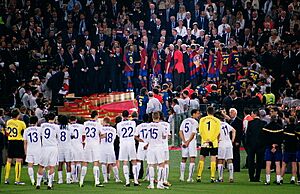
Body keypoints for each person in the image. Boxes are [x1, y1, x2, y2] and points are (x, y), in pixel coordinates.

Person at [79, 110, 104, 187]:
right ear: (96, 116)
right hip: (95, 144)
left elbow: (83, 134)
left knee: (85, 163)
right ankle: (96, 181)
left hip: (87, 144)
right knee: (96, 162)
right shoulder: (98, 124)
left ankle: (81, 181)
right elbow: (102, 135)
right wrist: (101, 136)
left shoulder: (85, 123)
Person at [196, 106, 221, 183]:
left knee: (202, 157)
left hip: (204, 142)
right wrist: (211, 139)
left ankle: (199, 176)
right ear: (213, 112)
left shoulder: (202, 120)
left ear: (207, 112)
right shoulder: (217, 120)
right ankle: (212, 177)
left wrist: (206, 139)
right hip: (213, 142)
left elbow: (200, 131)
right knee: (213, 158)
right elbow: (217, 132)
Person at [145, 112, 168, 189]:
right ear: (159, 117)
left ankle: (151, 184)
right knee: (161, 164)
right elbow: (164, 136)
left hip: (151, 147)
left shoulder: (148, 126)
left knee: (151, 165)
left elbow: (147, 137)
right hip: (159, 147)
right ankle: (159, 183)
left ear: (152, 117)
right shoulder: (161, 126)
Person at [36, 112, 59, 190]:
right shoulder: (56, 127)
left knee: (41, 165)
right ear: (54, 118)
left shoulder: (42, 125)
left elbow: (40, 135)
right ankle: (49, 184)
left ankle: (38, 184)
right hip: (53, 147)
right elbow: (58, 137)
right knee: (52, 166)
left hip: (44, 147)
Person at [116, 110, 139, 186]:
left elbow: (119, 134)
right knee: (134, 161)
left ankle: (127, 181)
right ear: (129, 115)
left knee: (125, 162)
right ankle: (136, 180)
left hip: (123, 143)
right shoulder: (133, 123)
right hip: (131, 142)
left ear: (122, 115)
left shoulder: (119, 124)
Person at [4, 108, 26, 185]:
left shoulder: (8, 122)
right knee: (18, 160)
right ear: (18, 115)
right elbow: (24, 133)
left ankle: (6, 178)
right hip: (18, 141)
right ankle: (17, 180)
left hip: (10, 141)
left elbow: (6, 132)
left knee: (9, 160)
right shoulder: (21, 123)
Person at [179, 109, 200, 182]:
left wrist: (184, 141)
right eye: (197, 113)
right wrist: (188, 142)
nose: (198, 115)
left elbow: (180, 131)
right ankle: (189, 177)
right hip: (191, 142)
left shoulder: (184, 121)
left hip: (184, 141)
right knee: (192, 158)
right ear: (193, 114)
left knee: (183, 158)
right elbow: (193, 133)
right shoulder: (195, 122)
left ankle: (181, 176)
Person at [261, 115, 283, 185]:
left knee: (268, 163)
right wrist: (275, 146)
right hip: (278, 148)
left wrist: (271, 146)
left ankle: (268, 181)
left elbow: (264, 138)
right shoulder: (280, 127)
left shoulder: (266, 127)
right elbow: (281, 139)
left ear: (270, 119)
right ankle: (278, 180)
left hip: (268, 147)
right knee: (277, 164)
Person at [246, 109, 267, 182]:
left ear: (255, 114)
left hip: (251, 145)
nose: (251, 115)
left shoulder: (250, 123)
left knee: (251, 161)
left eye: (252, 114)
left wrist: (247, 144)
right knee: (259, 162)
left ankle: (251, 177)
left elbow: (247, 135)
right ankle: (257, 177)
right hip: (261, 145)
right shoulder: (264, 123)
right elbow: (265, 135)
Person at [215, 112, 236, 183]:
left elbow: (217, 134)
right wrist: (232, 139)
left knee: (220, 160)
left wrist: (217, 141)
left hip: (222, 143)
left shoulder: (217, 125)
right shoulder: (226, 124)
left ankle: (220, 178)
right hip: (229, 143)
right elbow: (234, 130)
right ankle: (231, 177)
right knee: (229, 160)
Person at [99, 117, 121, 183]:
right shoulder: (113, 129)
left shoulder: (101, 129)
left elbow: (100, 137)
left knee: (103, 163)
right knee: (113, 163)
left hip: (103, 147)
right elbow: (114, 138)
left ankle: (105, 179)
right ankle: (117, 178)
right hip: (110, 147)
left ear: (105, 122)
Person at [23, 116, 42, 185]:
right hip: (38, 149)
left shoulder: (26, 130)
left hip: (29, 149)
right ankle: (41, 179)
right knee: (41, 165)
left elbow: (25, 142)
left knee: (30, 165)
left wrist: (25, 152)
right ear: (36, 122)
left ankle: (32, 180)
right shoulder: (40, 129)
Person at [69, 116, 85, 183]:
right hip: (79, 145)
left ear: (69, 120)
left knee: (72, 162)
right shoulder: (81, 126)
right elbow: (84, 136)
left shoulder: (68, 126)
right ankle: (77, 178)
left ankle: (73, 178)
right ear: (76, 119)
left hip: (71, 145)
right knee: (78, 162)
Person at [281, 116, 298, 184]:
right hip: (295, 148)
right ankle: (293, 178)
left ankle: (281, 178)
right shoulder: (296, 129)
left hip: (287, 148)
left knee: (284, 163)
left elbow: (283, 138)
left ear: (289, 121)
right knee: (294, 164)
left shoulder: (286, 129)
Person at [57, 115, 72, 184]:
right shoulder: (69, 127)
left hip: (60, 147)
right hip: (67, 147)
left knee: (60, 164)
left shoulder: (57, 127)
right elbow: (73, 136)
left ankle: (60, 180)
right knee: (68, 163)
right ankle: (68, 179)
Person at [135, 115, 149, 181]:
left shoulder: (139, 126)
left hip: (141, 144)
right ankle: (148, 177)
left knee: (138, 161)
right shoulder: (150, 126)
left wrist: (139, 139)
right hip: (149, 144)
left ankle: (136, 178)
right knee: (150, 162)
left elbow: (135, 136)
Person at [159, 112, 172, 186]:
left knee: (159, 163)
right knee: (166, 163)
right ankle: (165, 180)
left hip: (158, 146)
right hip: (165, 145)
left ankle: (159, 180)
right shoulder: (167, 124)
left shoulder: (156, 125)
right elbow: (169, 136)